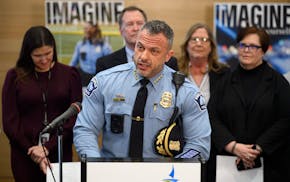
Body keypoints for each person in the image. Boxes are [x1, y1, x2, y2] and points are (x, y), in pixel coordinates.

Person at [74, 20, 211, 160]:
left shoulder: (186, 92)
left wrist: (176, 169)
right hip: (112, 173)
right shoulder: (104, 82)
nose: (144, 57)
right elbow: (85, 130)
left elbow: (198, 145)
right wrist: (95, 166)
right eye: (140, 47)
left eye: (154, 51)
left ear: (168, 56)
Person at [208, 26, 290, 181]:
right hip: (228, 163)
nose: (246, 50)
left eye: (253, 46)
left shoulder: (278, 82)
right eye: (242, 45)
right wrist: (233, 146)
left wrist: (256, 149)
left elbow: (286, 119)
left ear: (263, 50)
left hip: (271, 165)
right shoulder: (225, 80)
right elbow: (212, 116)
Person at [2, 26, 83, 182]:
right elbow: (10, 122)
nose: (44, 59)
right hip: (25, 154)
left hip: (59, 151)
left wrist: (47, 148)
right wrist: (33, 151)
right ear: (28, 54)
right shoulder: (14, 77)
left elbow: (75, 116)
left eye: (48, 53)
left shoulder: (70, 74)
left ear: (54, 48)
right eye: (37, 55)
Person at [178, 23, 229, 182]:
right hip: (181, 143)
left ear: (211, 46)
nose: (199, 43)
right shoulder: (175, 72)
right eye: (194, 39)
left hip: (216, 144)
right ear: (186, 45)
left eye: (204, 39)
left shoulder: (224, 73)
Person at [95, 6, 178, 73]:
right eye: (130, 24)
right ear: (120, 30)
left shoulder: (169, 61)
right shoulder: (105, 63)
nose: (136, 28)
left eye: (140, 23)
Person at [70, 21, 112, 86]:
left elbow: (110, 64)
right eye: (84, 29)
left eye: (87, 28)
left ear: (94, 29)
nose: (85, 31)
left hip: (100, 79)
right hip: (84, 79)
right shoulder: (80, 45)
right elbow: (73, 63)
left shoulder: (104, 46)